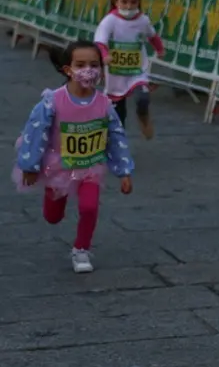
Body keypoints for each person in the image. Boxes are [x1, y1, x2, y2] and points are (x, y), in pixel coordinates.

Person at [11, 40, 134, 273]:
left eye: (94, 65)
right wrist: (30, 165)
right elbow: (35, 132)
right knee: (53, 216)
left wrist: (124, 170)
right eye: (80, 64)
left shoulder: (104, 104)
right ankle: (53, 202)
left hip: (90, 165)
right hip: (58, 166)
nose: (88, 70)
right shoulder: (53, 101)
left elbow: (116, 136)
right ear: (68, 69)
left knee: (89, 207)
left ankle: (81, 249)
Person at [95, 0, 165, 140]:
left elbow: (152, 36)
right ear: (116, 1)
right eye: (124, 2)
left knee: (143, 97)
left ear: (139, 2)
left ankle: (143, 115)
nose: (128, 6)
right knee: (118, 112)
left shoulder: (143, 20)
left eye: (133, 2)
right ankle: (118, 139)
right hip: (116, 72)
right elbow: (99, 41)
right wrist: (105, 55)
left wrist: (160, 49)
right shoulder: (109, 21)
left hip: (136, 69)